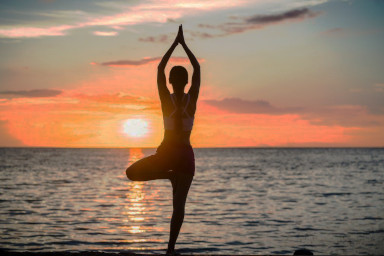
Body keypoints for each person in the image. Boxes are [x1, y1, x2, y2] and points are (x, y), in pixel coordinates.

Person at [126, 24, 200, 255]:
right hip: (177, 154)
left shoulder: (171, 99)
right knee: (178, 207)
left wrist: (175, 44)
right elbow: (196, 67)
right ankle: (169, 249)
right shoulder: (187, 98)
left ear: (171, 82)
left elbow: (160, 67)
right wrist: (183, 45)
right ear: (185, 82)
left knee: (135, 175)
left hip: (174, 154)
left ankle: (170, 250)